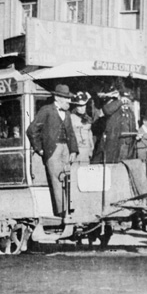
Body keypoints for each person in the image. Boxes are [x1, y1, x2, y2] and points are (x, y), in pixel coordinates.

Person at [26, 84, 79, 220]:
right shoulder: (46, 110)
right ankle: (62, 212)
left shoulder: (67, 113)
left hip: (66, 149)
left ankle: (71, 210)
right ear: (57, 98)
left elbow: (71, 133)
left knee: (69, 179)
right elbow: (32, 130)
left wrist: (73, 150)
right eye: (66, 98)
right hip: (53, 150)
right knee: (57, 180)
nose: (69, 101)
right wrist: (40, 148)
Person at [94, 85, 138, 164]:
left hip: (126, 145)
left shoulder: (130, 112)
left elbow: (132, 127)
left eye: (128, 100)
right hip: (115, 143)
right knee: (112, 164)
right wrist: (120, 102)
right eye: (124, 99)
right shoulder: (114, 109)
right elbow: (107, 110)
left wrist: (136, 134)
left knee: (124, 165)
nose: (126, 102)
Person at [70, 91, 94, 164]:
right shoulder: (71, 118)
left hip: (86, 150)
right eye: (79, 106)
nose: (82, 108)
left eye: (83, 105)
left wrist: (91, 147)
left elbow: (89, 133)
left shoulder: (88, 119)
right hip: (76, 150)